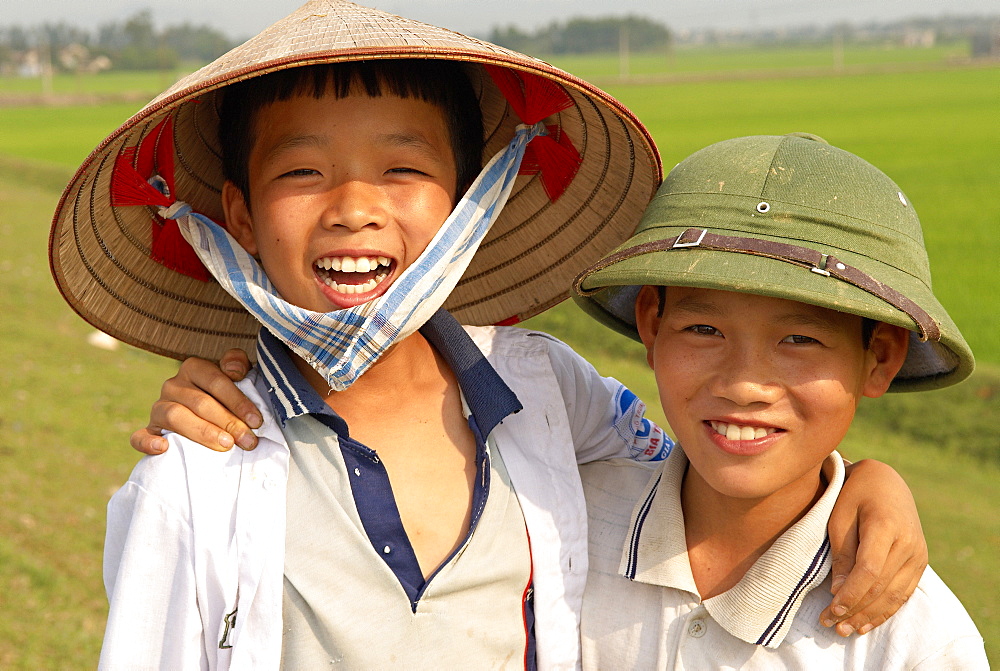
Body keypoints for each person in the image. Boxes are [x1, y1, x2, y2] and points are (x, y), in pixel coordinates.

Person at [49, 2, 927, 668]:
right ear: (236, 215)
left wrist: (866, 483)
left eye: (402, 169)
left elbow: (707, 470)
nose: (354, 207)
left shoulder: (547, 391)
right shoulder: (199, 471)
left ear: (471, 198)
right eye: (304, 172)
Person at [571, 132, 988, 669]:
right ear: (653, 324)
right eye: (704, 328)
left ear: (879, 357)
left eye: (799, 340)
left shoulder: (914, 640)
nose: (744, 384)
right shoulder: (557, 522)